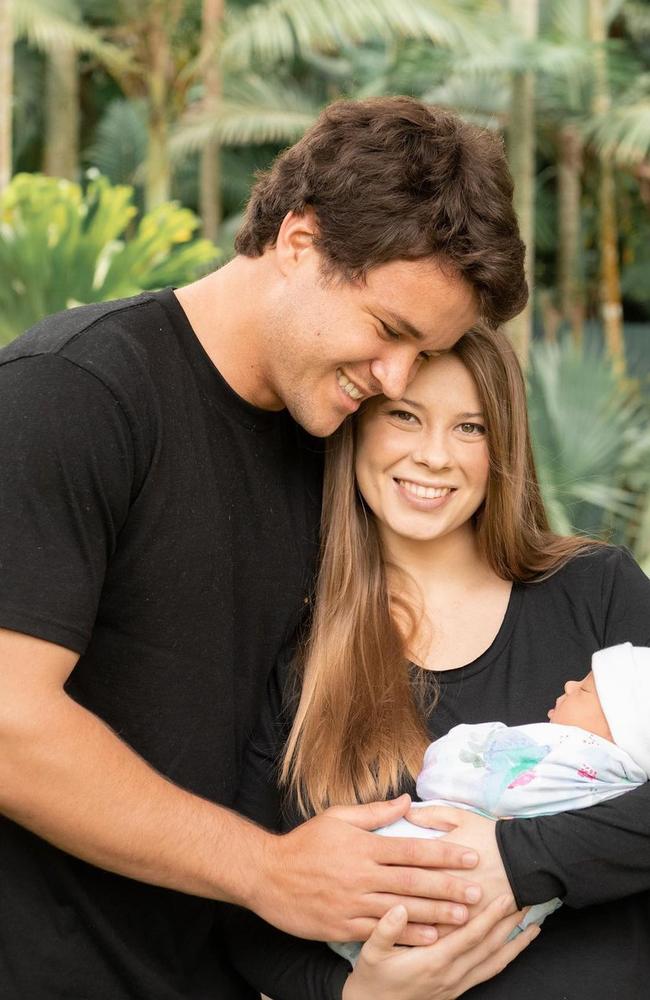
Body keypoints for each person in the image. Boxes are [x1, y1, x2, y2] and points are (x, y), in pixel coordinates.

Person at [0, 98, 529, 999]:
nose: (395, 380)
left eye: (427, 352)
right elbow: (9, 725)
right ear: (298, 242)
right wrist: (270, 873)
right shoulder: (76, 393)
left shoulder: (343, 441)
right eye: (391, 331)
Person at [235, 324, 650, 999]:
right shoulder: (294, 648)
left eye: (471, 428)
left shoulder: (597, 589)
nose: (434, 455)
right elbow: (246, 911)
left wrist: (515, 861)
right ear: (357, 426)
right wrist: (354, 995)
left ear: (503, 447)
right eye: (405, 416)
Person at [332, 641, 650, 964]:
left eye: (585, 690)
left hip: (427, 871)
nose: (569, 685)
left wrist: (443, 755)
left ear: (617, 727)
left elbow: (456, 772)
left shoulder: (573, 752)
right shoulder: (624, 798)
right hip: (489, 931)